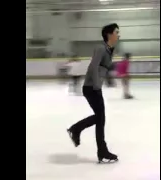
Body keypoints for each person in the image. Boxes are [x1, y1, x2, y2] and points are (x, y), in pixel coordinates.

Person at [67, 23, 120, 163]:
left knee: (100, 118)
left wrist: (107, 81)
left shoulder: (109, 50)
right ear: (109, 34)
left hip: (95, 87)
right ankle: (78, 131)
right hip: (92, 87)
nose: (118, 35)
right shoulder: (101, 48)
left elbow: (103, 68)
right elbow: (93, 67)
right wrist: (97, 84)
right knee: (101, 118)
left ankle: (79, 131)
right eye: (116, 32)